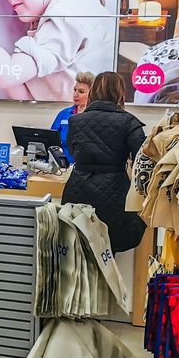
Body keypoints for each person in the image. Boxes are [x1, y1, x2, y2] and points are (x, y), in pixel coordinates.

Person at [62, 71, 146, 253]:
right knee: (108, 250)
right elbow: (142, 157)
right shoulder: (129, 122)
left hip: (78, 188)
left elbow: (72, 150)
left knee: (79, 250)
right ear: (119, 92)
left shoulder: (76, 121)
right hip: (115, 191)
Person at [50, 70, 94, 160]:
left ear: (92, 94)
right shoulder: (64, 114)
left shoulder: (95, 116)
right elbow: (51, 139)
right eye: (75, 90)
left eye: (81, 92)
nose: (75, 94)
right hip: (63, 167)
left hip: (85, 167)